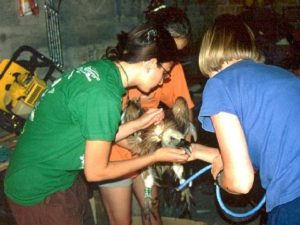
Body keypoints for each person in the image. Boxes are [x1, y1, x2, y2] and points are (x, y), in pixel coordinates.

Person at [3, 22, 190, 225]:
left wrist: (138, 124)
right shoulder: (104, 96)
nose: (163, 81)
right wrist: (154, 156)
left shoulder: (103, 71)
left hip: (63, 177)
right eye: (165, 72)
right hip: (38, 189)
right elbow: (96, 172)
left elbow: (97, 134)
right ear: (151, 63)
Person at [190, 14, 300, 225]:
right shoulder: (281, 75)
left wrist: (220, 175)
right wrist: (195, 151)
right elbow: (269, 147)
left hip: (293, 199)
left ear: (208, 50)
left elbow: (240, 181)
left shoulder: (220, 84)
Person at [98, 4, 194, 225]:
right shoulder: (120, 73)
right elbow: (109, 132)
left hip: (144, 159)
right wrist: (152, 152)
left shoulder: (171, 68)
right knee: (121, 221)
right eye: (168, 48)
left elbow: (185, 111)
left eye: (176, 51)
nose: (172, 57)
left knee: (151, 209)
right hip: (114, 157)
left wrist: (183, 143)